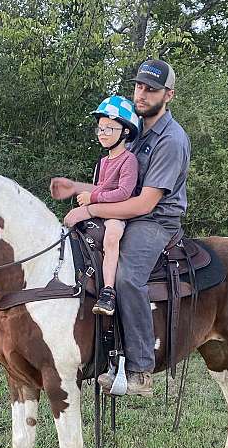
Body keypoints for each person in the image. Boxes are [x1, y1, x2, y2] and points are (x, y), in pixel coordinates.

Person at [51, 58, 190, 397]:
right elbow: (119, 188)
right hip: (129, 213)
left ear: (168, 95)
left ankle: (141, 369)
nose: (141, 94)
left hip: (155, 221)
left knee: (127, 276)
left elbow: (144, 203)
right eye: (139, 86)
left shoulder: (171, 140)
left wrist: (90, 209)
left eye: (151, 89)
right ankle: (97, 353)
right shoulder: (138, 134)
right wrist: (76, 187)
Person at [76, 95, 140, 315]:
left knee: (112, 236)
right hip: (100, 209)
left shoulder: (129, 160)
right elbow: (98, 187)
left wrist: (92, 198)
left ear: (125, 132)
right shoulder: (102, 162)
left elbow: (124, 193)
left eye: (109, 129)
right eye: (100, 129)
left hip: (116, 213)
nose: (102, 133)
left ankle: (108, 292)